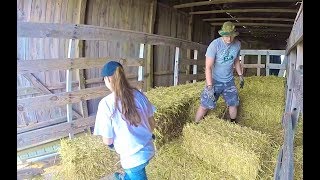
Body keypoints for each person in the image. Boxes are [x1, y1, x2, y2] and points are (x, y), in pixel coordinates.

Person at [93, 61, 156, 180]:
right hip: (148, 149)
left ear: (107, 79)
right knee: (134, 175)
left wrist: (112, 144)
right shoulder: (139, 95)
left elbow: (107, 140)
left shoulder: (106, 104)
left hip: (132, 160)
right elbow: (152, 124)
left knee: (135, 173)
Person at [195, 21, 244, 124]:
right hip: (214, 80)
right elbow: (208, 67)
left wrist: (240, 75)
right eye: (226, 36)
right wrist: (209, 87)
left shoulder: (237, 44)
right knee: (205, 105)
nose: (229, 39)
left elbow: (236, 61)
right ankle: (195, 124)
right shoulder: (215, 45)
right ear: (222, 34)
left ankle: (233, 123)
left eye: (231, 36)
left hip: (229, 80)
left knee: (233, 103)